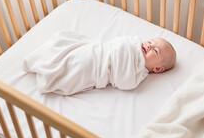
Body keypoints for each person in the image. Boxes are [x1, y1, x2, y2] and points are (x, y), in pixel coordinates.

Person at [23, 31, 176, 95]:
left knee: (75, 66)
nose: (149, 45)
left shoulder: (138, 74)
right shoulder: (133, 45)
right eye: (150, 41)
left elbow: (124, 82)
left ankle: (51, 73)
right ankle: (46, 62)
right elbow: (118, 44)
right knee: (68, 48)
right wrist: (128, 47)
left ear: (157, 68)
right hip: (97, 51)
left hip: (95, 67)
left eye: (155, 51)